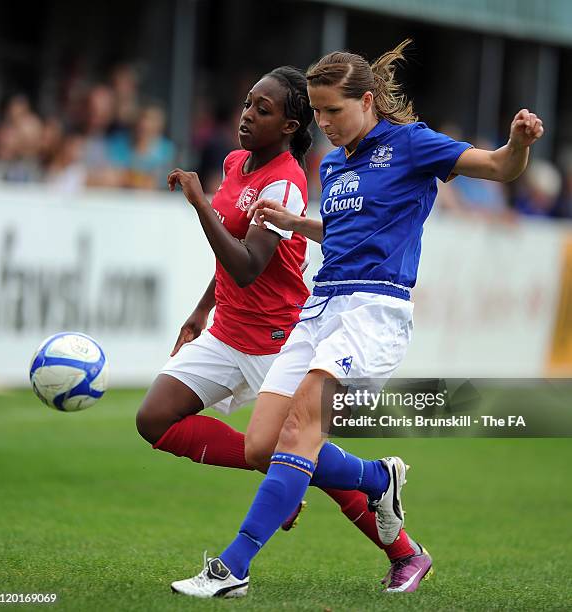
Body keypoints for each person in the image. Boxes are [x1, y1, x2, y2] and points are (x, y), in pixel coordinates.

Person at [171, 41, 544, 598]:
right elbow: (344, 230)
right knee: (259, 446)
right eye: (317, 114)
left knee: (301, 430)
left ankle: (232, 568)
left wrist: (517, 143)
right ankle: (377, 478)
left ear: (367, 101)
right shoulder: (338, 162)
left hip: (372, 312)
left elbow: (497, 167)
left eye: (333, 112)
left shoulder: (411, 145)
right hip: (319, 309)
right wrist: (298, 223)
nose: (323, 124)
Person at [136, 65, 424, 590]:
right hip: (228, 328)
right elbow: (231, 255)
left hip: (276, 334)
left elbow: (249, 264)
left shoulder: (289, 184)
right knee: (155, 418)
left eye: (262, 110)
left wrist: (200, 203)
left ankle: (405, 550)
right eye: (247, 103)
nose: (246, 116)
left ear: (291, 125)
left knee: (298, 449)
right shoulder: (235, 163)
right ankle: (291, 477)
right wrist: (203, 309)